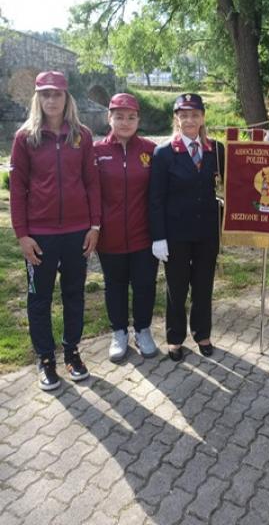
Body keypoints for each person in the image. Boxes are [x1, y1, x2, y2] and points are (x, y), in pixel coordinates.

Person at [9, 71, 101, 390]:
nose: (51, 100)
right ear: (38, 98)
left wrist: (95, 226)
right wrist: (22, 234)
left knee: (74, 295)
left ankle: (72, 352)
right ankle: (45, 359)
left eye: (57, 94)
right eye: (45, 94)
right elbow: (17, 189)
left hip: (78, 233)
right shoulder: (25, 138)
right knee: (39, 299)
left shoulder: (82, 135)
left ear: (66, 98)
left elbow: (92, 183)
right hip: (40, 236)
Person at [149, 93, 224, 362]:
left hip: (207, 233)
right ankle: (175, 337)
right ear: (176, 118)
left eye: (195, 114)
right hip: (176, 235)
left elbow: (237, 181)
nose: (190, 119)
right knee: (177, 289)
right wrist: (158, 237)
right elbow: (155, 199)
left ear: (203, 117)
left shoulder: (216, 149)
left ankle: (202, 333)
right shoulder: (164, 152)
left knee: (203, 286)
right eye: (184, 115)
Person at [94, 93, 159, 362]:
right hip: (110, 237)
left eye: (131, 117)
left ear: (138, 119)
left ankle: (142, 330)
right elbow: (91, 193)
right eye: (119, 116)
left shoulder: (151, 150)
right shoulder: (96, 151)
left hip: (144, 236)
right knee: (115, 286)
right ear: (109, 118)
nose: (125, 122)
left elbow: (160, 194)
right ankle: (119, 332)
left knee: (145, 285)